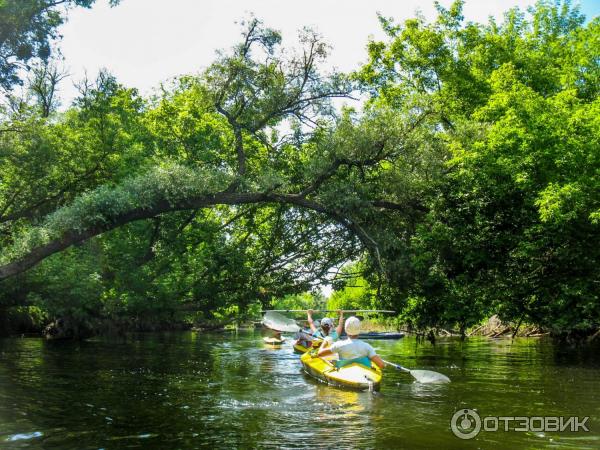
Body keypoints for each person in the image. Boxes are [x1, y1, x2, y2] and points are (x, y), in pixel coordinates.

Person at [318, 316, 385, 369]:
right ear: (359, 330)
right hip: (363, 374)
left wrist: (325, 341)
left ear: (346, 330)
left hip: (345, 372)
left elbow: (320, 354)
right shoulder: (367, 347)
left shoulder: (338, 345)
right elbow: (381, 365)